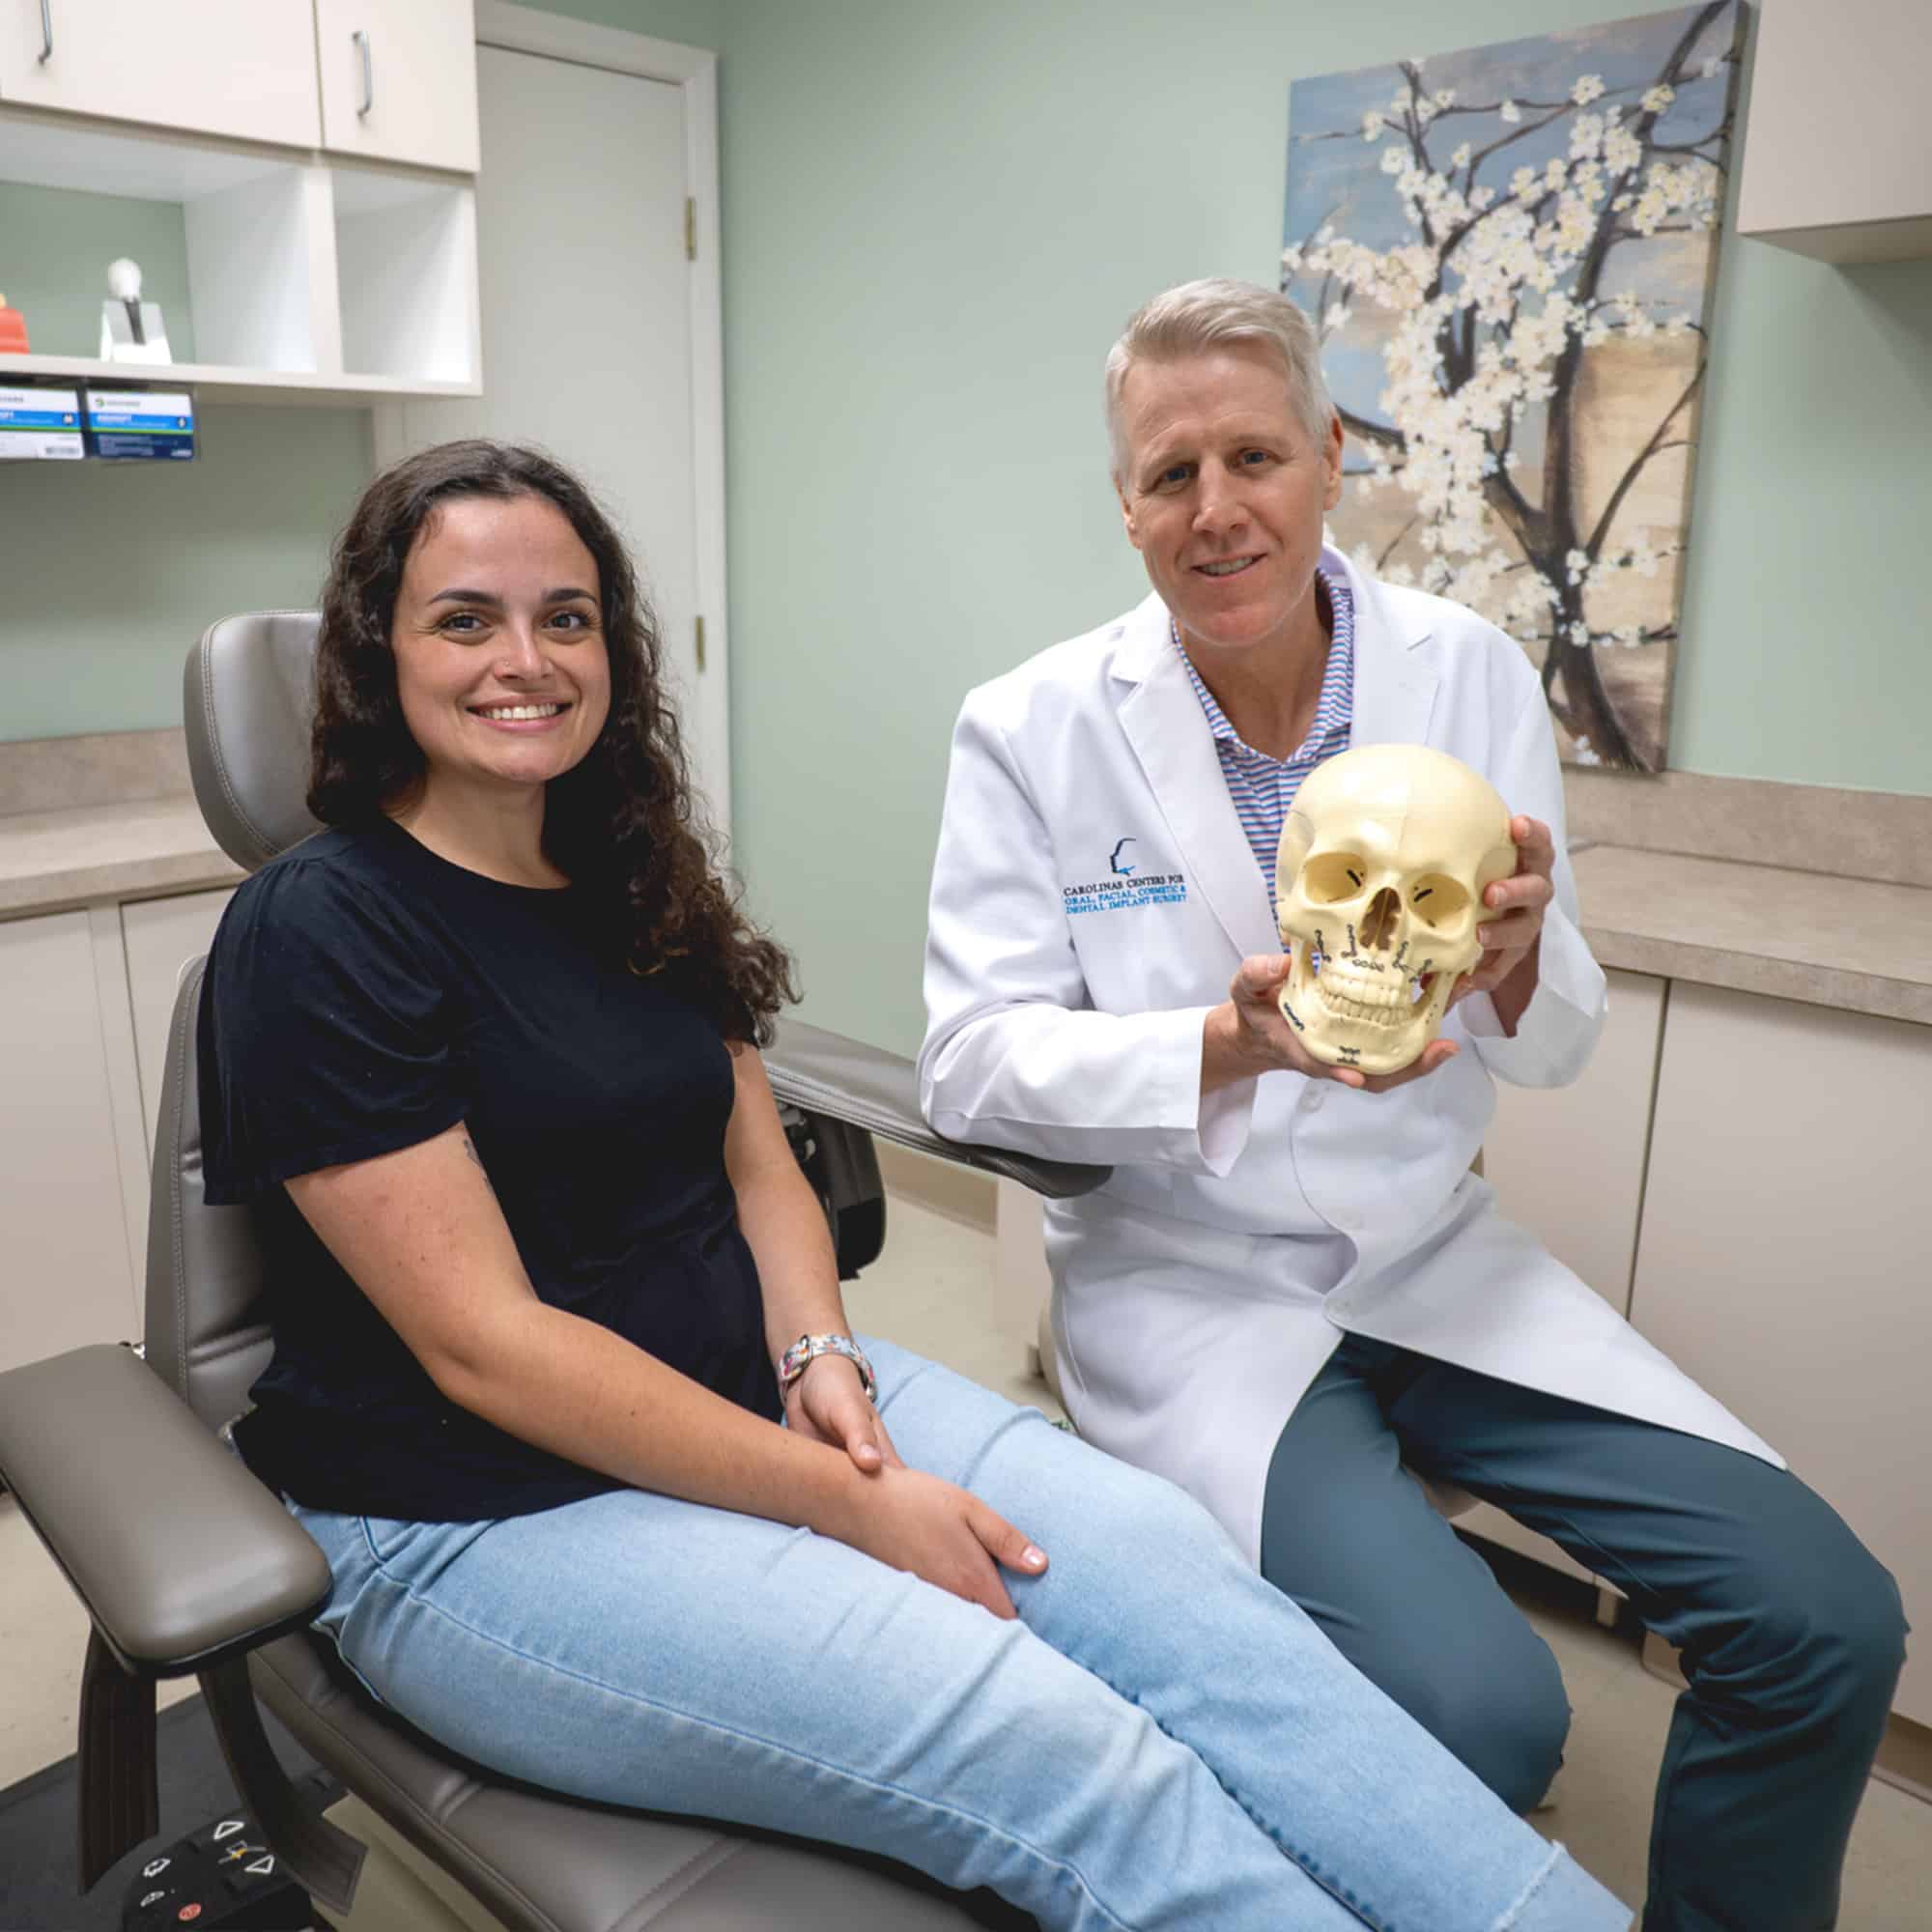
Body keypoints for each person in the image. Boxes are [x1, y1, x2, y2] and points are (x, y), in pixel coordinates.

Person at [195, 439, 1629, 1932]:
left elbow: (758, 1165)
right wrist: (844, 1504)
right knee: (1063, 1749)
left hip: (766, 1390)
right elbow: (482, 1345)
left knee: (1194, 1598)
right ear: (381, 651)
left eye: (566, 617)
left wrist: (820, 1350)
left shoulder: (625, 874)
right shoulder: (321, 929)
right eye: (464, 618)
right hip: (485, 1514)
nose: (526, 659)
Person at [919, 280, 1907, 1932]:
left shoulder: (1468, 674)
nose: (1216, 508)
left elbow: (1555, 1032)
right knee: (1485, 1713)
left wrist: (1520, 962)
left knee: (1823, 1617)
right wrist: (1214, 1050)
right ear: (1126, 505)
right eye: (1171, 475)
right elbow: (969, 1063)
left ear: (1326, 462)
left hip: (1433, 1255)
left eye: (1255, 456)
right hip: (1191, 1282)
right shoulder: (1029, 726)